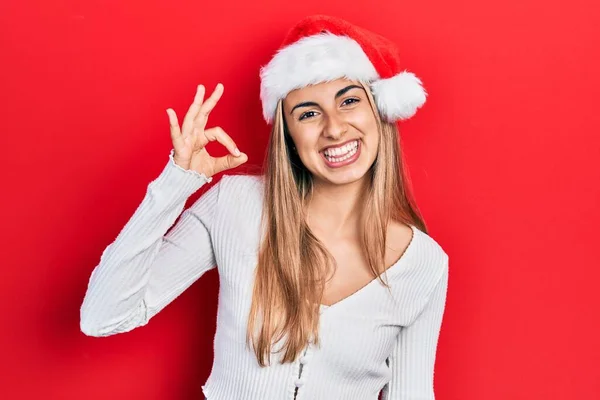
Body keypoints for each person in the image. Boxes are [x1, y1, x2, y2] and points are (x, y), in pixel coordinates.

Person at [80, 14, 449, 400]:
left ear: (381, 111)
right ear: (288, 135)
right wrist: (177, 182)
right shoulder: (234, 205)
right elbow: (103, 316)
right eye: (308, 113)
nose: (334, 128)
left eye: (350, 101)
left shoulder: (423, 263)